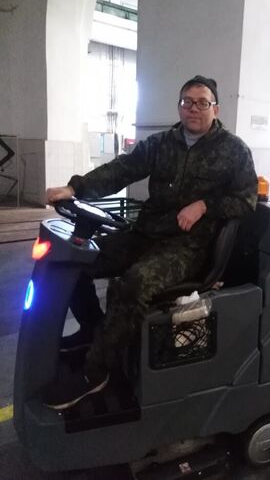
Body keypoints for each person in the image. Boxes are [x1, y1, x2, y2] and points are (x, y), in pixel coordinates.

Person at [44, 75, 258, 410]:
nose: (193, 108)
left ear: (215, 109)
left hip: (189, 247)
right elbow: (122, 169)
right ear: (179, 106)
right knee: (76, 261)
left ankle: (96, 372)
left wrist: (204, 205)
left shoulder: (234, 151)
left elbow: (246, 200)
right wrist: (75, 188)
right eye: (187, 102)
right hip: (146, 235)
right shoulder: (161, 144)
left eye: (202, 103)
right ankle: (93, 331)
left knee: (134, 284)